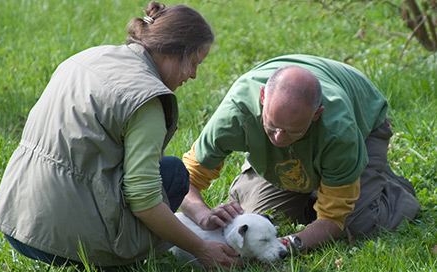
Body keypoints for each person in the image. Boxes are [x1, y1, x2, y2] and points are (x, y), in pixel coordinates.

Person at [0, 1, 241, 270]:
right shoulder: (147, 99)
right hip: (64, 245)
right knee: (174, 173)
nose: (193, 75)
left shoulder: (86, 58)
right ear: (171, 51)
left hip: (16, 222)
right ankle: (107, 259)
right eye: (193, 63)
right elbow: (144, 201)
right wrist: (200, 247)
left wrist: (201, 216)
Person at [180, 54, 420, 252]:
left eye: (291, 132)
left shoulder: (339, 130)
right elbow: (183, 183)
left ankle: (386, 186)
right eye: (271, 127)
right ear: (263, 98)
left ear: (316, 115)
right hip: (308, 138)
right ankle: (314, 186)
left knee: (357, 224)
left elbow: (332, 221)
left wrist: (288, 245)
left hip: (364, 123)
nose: (279, 139)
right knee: (259, 219)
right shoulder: (236, 114)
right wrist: (203, 216)